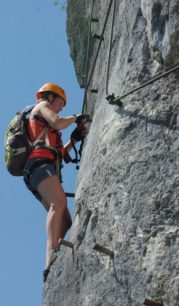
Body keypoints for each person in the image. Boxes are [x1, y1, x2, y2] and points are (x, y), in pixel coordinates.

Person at [23, 83, 87, 282]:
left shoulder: (46, 127)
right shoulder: (43, 106)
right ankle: (53, 253)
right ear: (50, 98)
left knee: (65, 220)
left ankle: (50, 263)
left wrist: (74, 140)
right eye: (60, 103)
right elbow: (59, 122)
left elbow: (59, 154)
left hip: (39, 169)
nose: (60, 108)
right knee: (58, 203)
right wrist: (76, 118)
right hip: (39, 165)